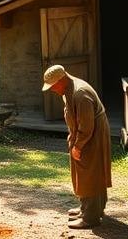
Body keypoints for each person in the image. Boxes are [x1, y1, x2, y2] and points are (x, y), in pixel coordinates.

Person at [42, 64, 112, 229]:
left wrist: (78, 145)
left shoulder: (80, 94)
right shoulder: (67, 89)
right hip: (84, 133)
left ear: (62, 79)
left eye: (53, 86)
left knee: (91, 173)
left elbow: (87, 126)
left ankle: (91, 217)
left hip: (92, 135)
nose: (52, 90)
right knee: (83, 172)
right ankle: (86, 208)